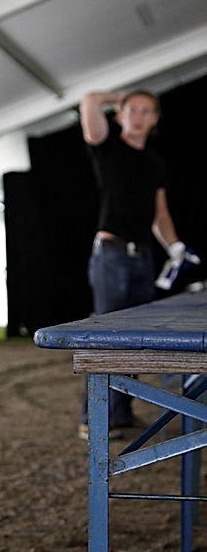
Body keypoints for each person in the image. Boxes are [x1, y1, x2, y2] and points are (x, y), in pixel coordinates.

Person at [78, 88, 200, 440]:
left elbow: (159, 213)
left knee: (134, 340)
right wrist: (118, 96)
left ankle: (121, 413)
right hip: (111, 254)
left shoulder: (155, 162)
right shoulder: (107, 148)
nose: (138, 116)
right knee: (106, 337)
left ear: (156, 119)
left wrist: (175, 247)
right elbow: (88, 101)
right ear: (120, 115)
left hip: (143, 257)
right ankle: (93, 418)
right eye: (132, 109)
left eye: (146, 111)